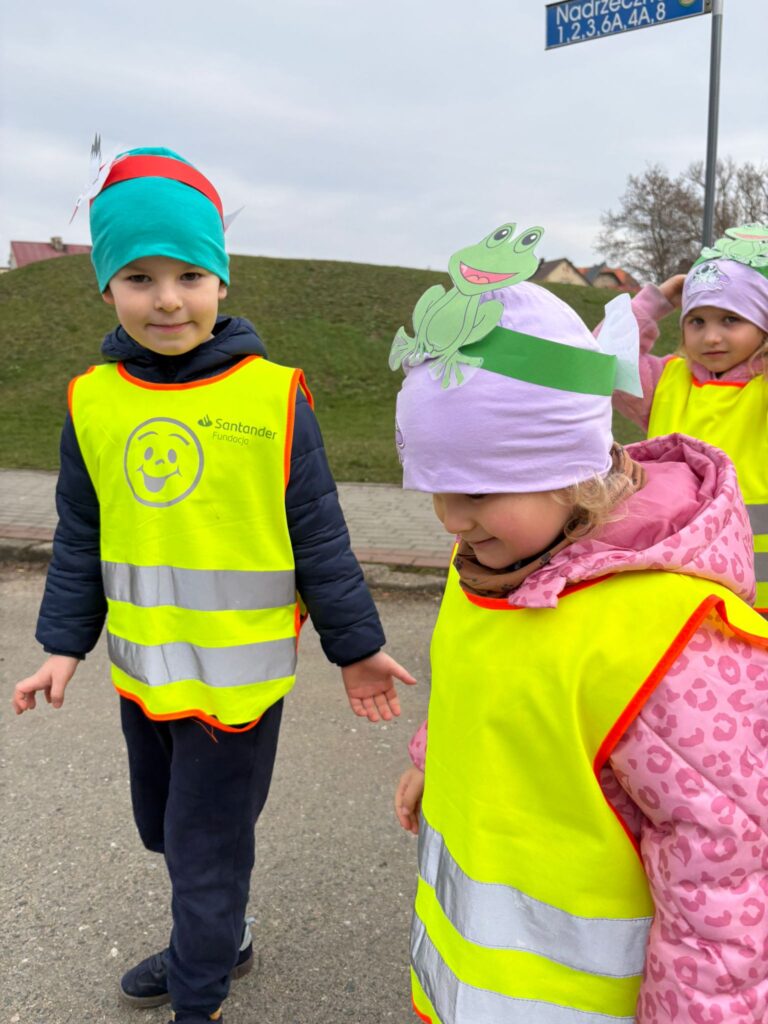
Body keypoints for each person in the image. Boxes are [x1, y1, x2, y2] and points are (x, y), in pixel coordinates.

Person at [11, 146, 415, 1024]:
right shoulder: (92, 401)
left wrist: (357, 649)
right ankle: (221, 937)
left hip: (236, 689)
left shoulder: (274, 397)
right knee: (168, 830)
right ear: (106, 289)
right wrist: (61, 648)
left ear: (222, 282)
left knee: (202, 848)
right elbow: (82, 535)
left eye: (190, 275)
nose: (167, 299)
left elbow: (319, 535)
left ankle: (200, 994)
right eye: (139, 277)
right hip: (145, 677)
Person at [389, 260, 768, 1022]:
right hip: (469, 991)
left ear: (571, 471)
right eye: (435, 488)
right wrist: (436, 757)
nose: (450, 520)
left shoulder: (672, 642)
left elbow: (723, 877)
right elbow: (478, 675)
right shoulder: (488, 569)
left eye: (476, 491)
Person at [611, 224, 768, 612]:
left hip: (757, 594)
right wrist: (654, 301)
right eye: (697, 321)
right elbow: (608, 361)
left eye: (730, 319)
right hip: (679, 587)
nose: (711, 337)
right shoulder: (666, 381)